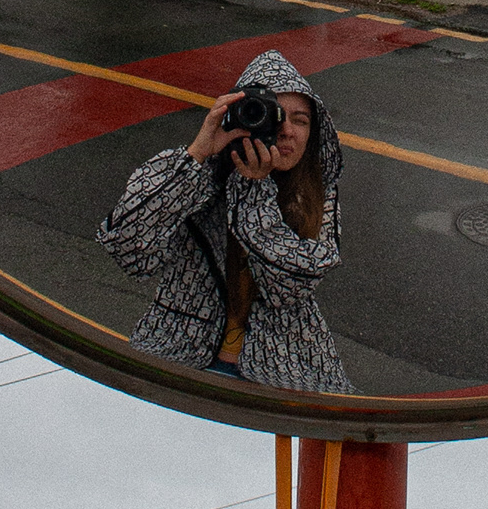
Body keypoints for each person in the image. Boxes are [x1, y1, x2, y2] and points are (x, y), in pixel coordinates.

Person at [99, 49, 351, 393]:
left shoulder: (319, 195)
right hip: (178, 355)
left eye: (301, 120)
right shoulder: (193, 175)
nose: (286, 131)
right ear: (238, 117)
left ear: (313, 134)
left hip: (286, 368)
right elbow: (127, 248)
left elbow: (289, 286)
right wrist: (196, 155)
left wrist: (254, 190)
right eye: (272, 115)